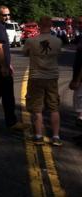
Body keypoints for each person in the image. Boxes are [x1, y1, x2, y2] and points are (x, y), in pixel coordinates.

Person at [23, 16, 63, 145]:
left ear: (38, 25)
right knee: (54, 107)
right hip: (52, 77)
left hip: (36, 77)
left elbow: (25, 53)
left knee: (37, 108)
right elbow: (58, 54)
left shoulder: (31, 40)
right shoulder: (57, 41)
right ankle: (56, 137)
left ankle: (39, 136)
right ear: (51, 25)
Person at [69, 15, 82, 127]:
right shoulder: (80, 37)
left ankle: (80, 119)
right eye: (77, 23)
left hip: (80, 78)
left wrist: (77, 79)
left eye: (80, 23)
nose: (78, 25)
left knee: (79, 98)